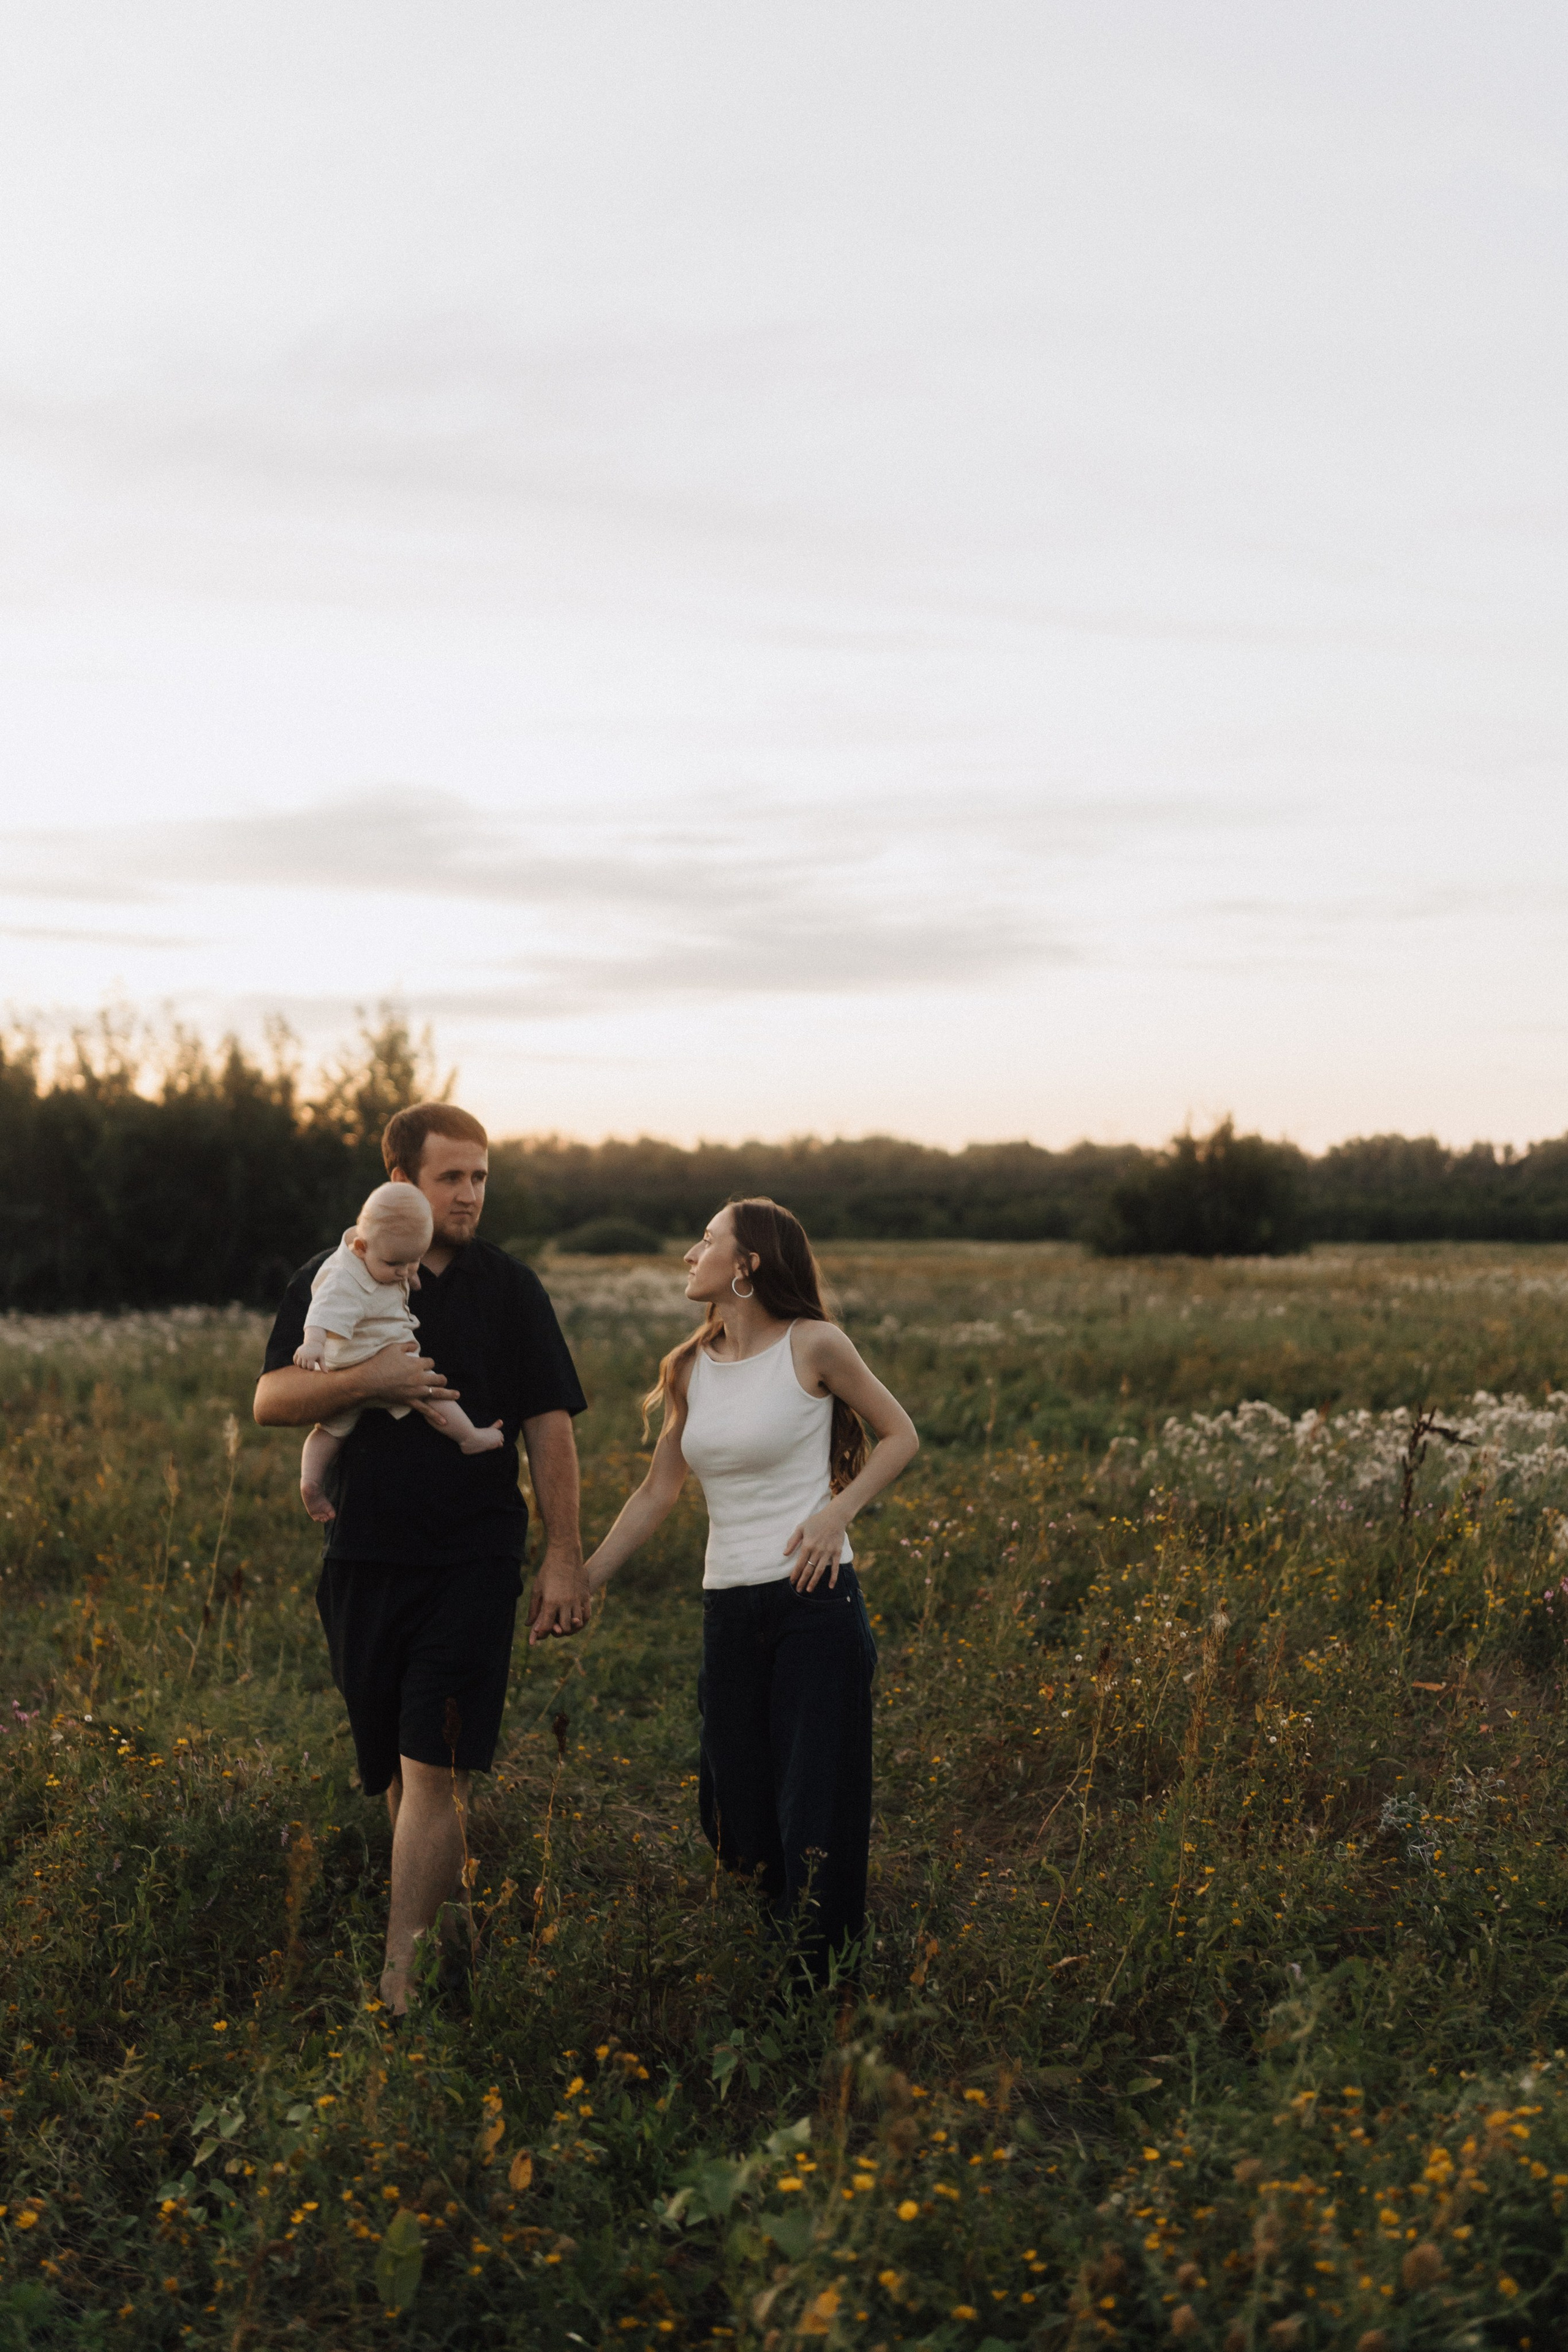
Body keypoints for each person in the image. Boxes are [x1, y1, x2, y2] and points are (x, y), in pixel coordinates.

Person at [253, 1101, 590, 2015]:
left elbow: (549, 1426)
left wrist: (564, 1555)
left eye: (480, 1177)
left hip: (472, 1559)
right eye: (452, 1177)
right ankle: (450, 1935)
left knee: (434, 1768)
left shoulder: (510, 1289)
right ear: (401, 1181)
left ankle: (401, 1984)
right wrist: (374, 1380)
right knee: (397, 1771)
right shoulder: (336, 1273)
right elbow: (272, 1399)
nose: (470, 1194)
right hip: (362, 1556)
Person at [581, 1197, 918, 1980]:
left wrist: (836, 1513)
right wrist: (585, 1579)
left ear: (747, 1264)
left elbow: (900, 1434)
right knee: (734, 1802)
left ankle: (818, 1986)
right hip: (728, 1607)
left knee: (816, 1804)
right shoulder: (690, 1366)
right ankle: (778, 1944)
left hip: (813, 1600)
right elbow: (657, 1492)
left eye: (706, 1241)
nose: (689, 1254)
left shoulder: (814, 1344)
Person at [293, 1180, 503, 1524]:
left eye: (414, 1261)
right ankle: (469, 1436)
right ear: (361, 1248)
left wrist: (407, 1274)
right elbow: (322, 1312)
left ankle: (311, 1480)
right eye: (396, 1265)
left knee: (331, 1431)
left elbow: (401, 1268)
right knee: (430, 1392)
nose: (404, 1272)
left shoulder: (386, 1255)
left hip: (359, 1359)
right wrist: (312, 1344)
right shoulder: (342, 1277)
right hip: (365, 1358)